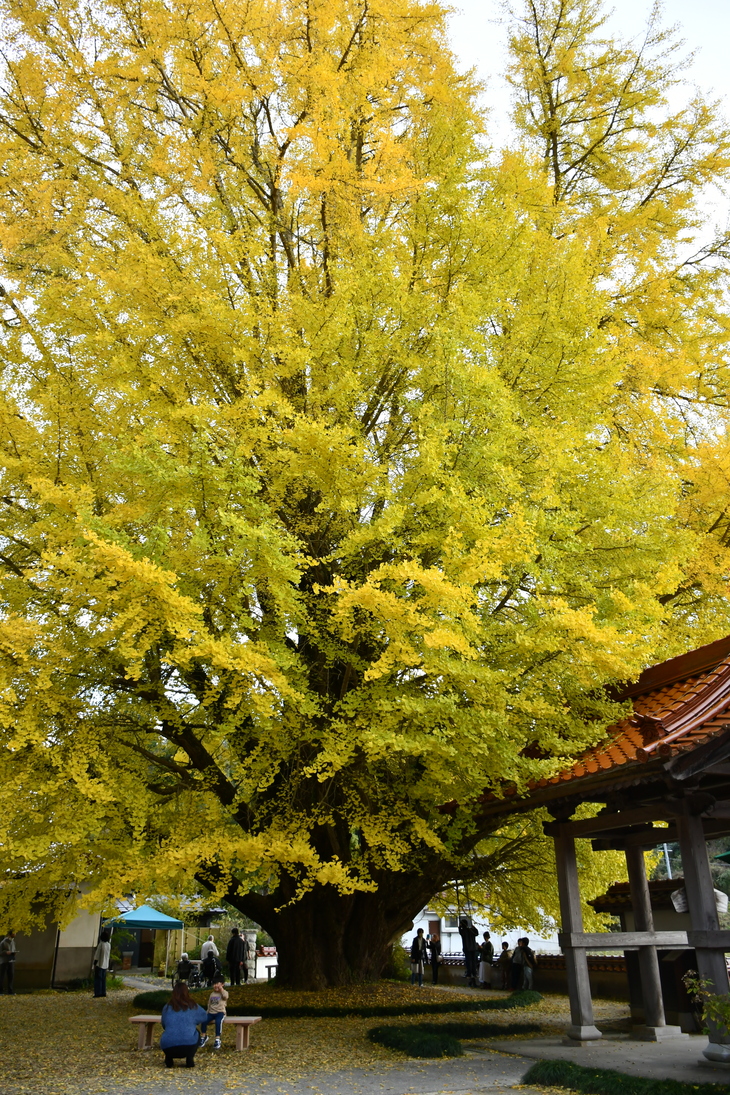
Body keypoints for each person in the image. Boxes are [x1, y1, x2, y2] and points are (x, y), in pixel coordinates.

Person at [160, 981, 208, 1068]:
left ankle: (169, 1058)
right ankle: (189, 1058)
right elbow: (204, 1016)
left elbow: (164, 1024)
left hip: (168, 1046)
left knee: (169, 1033)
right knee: (196, 1032)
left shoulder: (167, 1007)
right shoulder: (192, 1006)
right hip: (188, 1046)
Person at [200, 980, 228, 1050]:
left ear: (222, 984)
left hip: (220, 1012)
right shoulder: (212, 994)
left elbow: (225, 997)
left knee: (218, 1022)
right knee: (203, 1020)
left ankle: (217, 1039)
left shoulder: (224, 992)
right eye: (214, 984)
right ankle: (203, 1037)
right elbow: (209, 1004)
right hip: (211, 1012)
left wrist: (221, 989)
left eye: (217, 983)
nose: (215, 986)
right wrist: (207, 1012)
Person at [458, 916, 479, 987]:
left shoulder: (463, 931)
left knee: (468, 961)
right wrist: (473, 927)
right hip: (473, 948)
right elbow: (476, 933)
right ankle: (474, 972)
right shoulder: (471, 930)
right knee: (473, 961)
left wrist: (459, 927)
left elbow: (460, 931)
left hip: (467, 948)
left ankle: (469, 973)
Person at [92, 930, 111, 998]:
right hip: (105, 964)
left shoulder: (101, 944)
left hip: (99, 964)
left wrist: (94, 963)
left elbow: (97, 955)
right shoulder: (108, 945)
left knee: (98, 979)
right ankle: (103, 992)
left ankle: (98, 993)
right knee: (103, 979)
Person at [0, 930, 16, 995]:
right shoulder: (3, 942)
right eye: (14, 933)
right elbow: (0, 952)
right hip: (4, 961)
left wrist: (14, 953)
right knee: (2, 976)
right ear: (10, 934)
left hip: (11, 960)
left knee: (11, 976)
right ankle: (0, 991)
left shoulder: (13, 942)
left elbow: (13, 950)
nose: (15, 934)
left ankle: (10, 991)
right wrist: (6, 952)